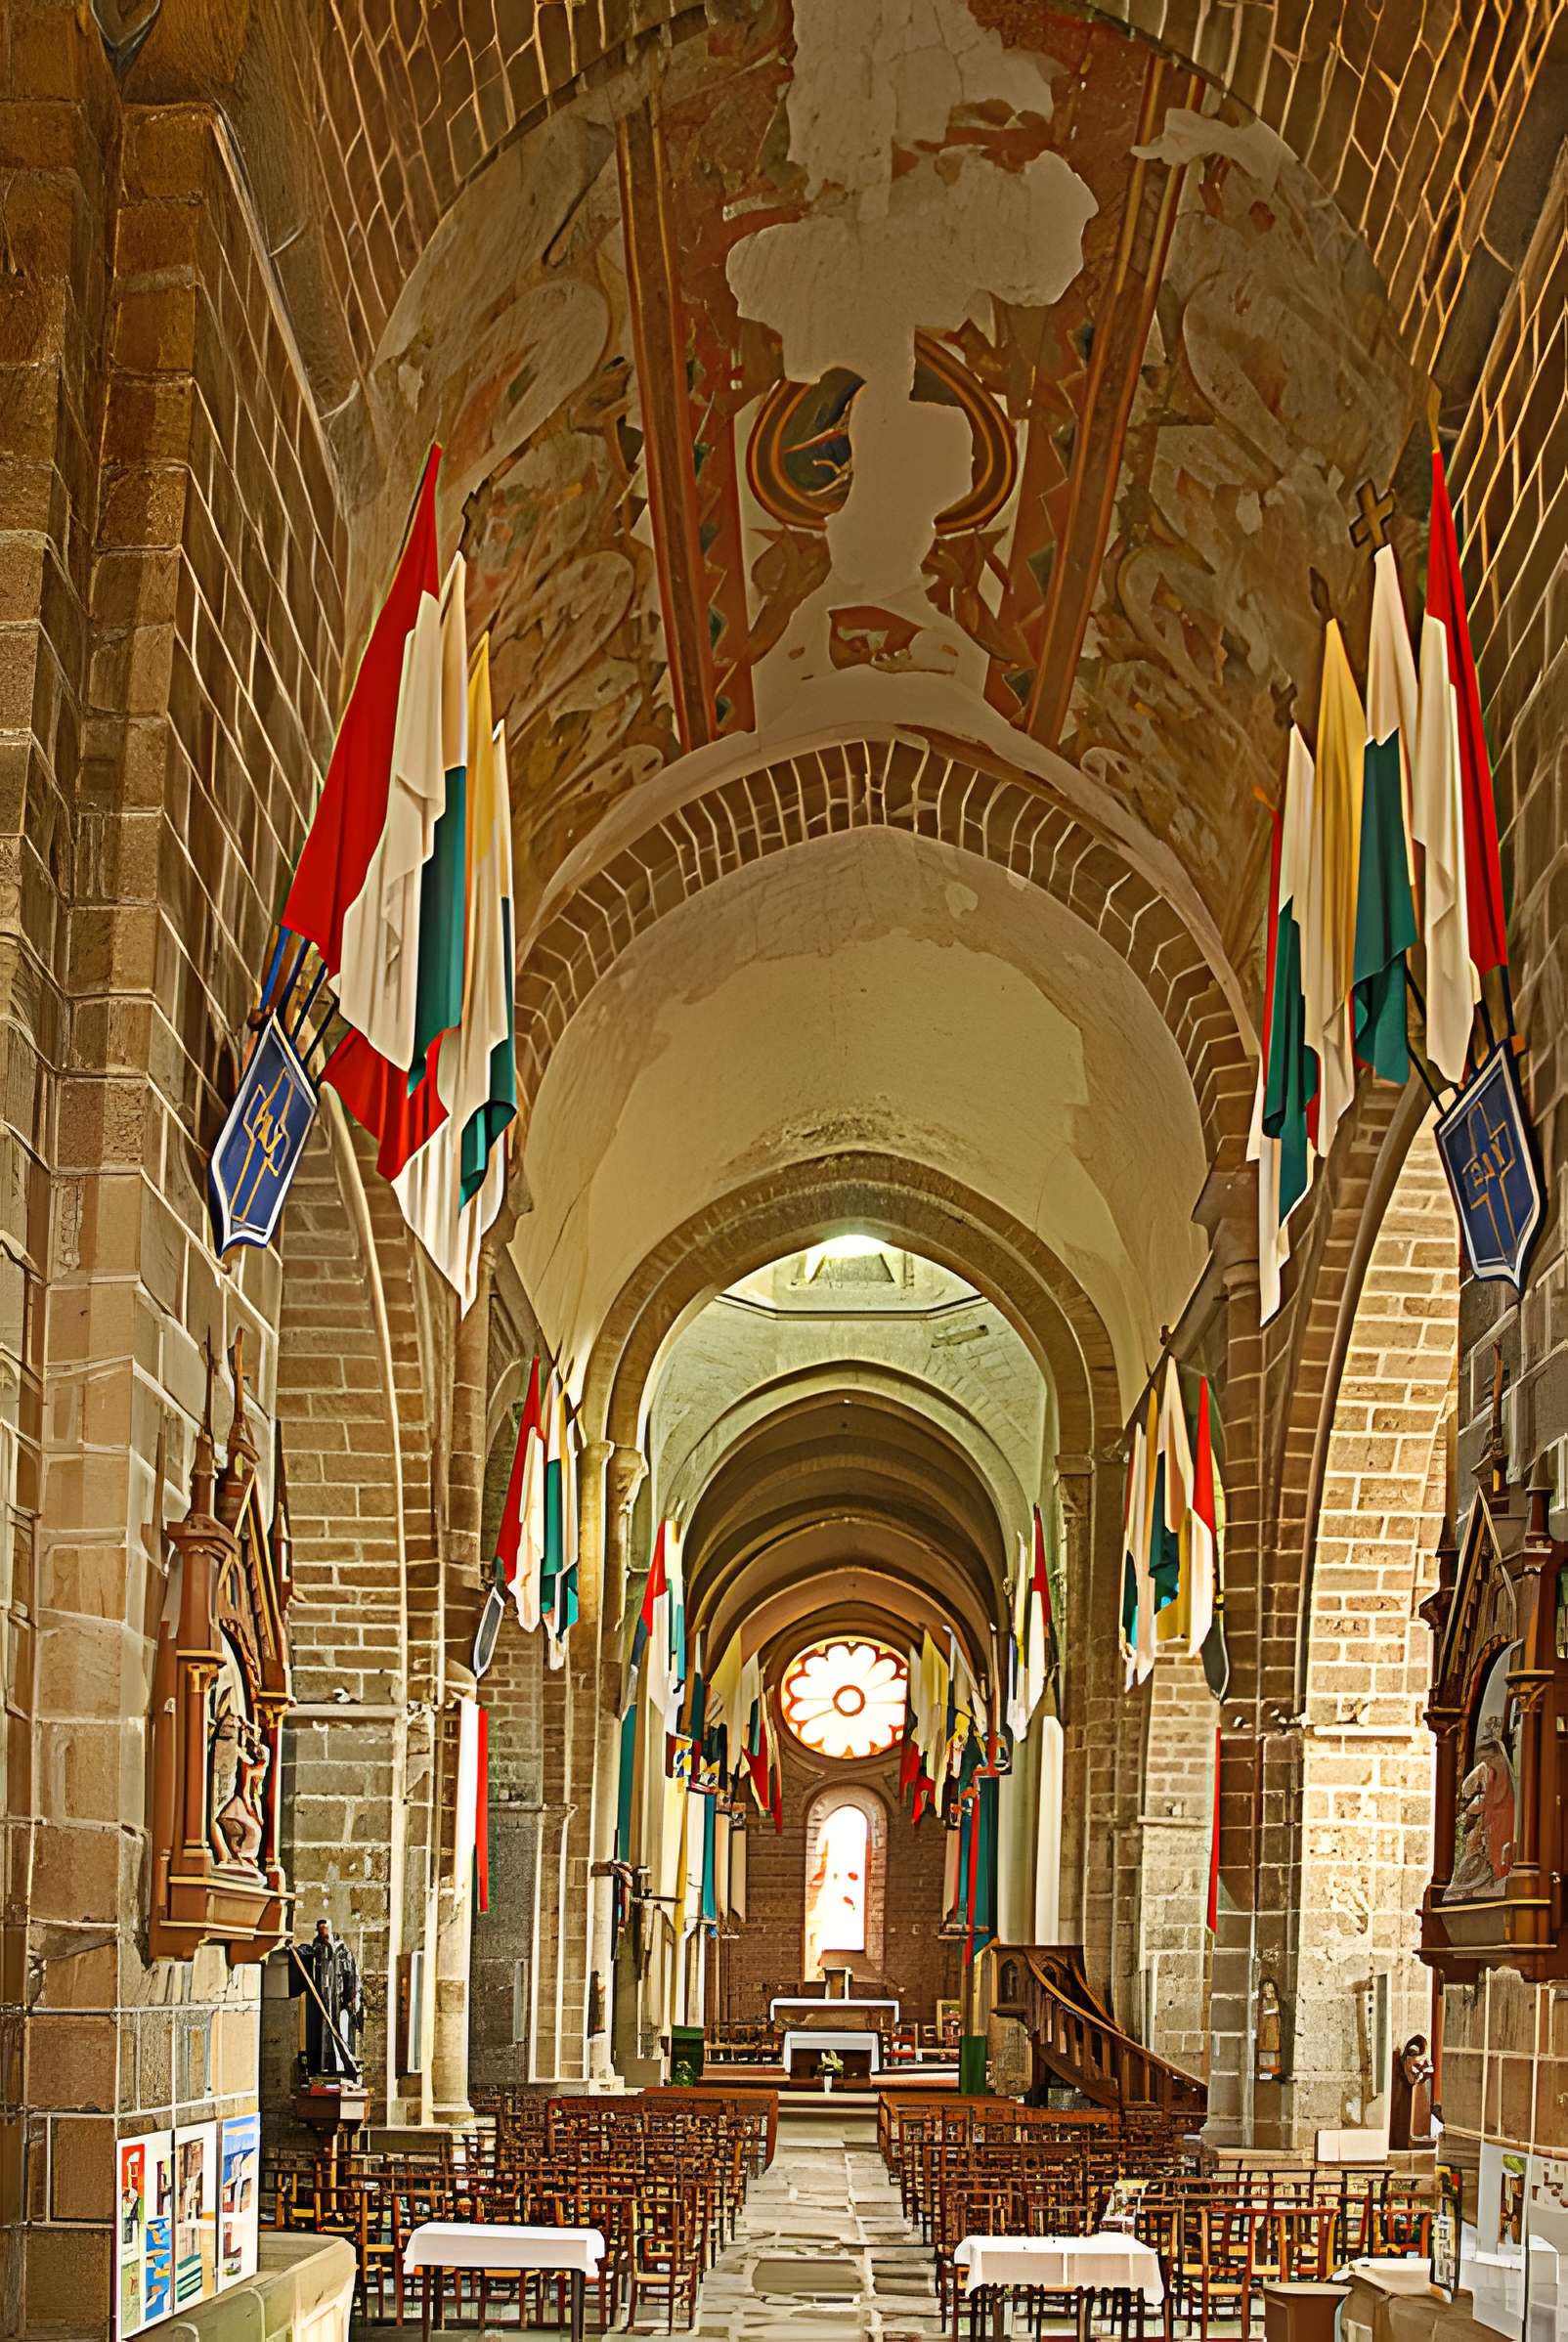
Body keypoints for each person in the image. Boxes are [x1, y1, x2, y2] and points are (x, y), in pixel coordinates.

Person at [288, 1917, 363, 2079]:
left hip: (338, 1999)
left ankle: (342, 2065)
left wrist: (351, 1997)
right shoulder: (316, 1950)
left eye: (325, 1928)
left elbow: (353, 1976)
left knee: (339, 2030)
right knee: (319, 2033)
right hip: (320, 1999)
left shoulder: (344, 1953)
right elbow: (304, 1960)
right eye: (320, 1929)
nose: (323, 1932)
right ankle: (319, 2066)